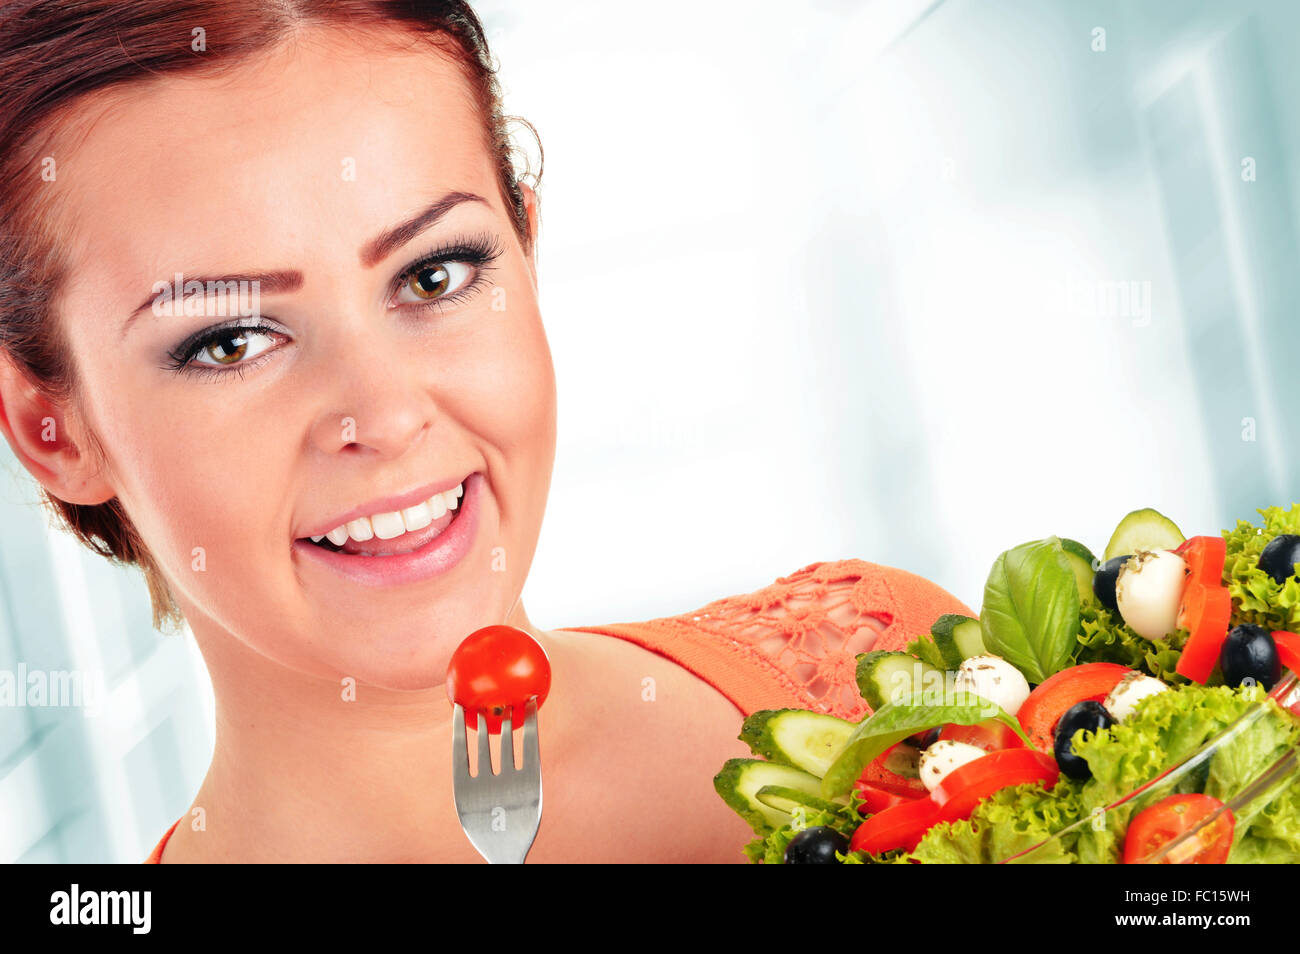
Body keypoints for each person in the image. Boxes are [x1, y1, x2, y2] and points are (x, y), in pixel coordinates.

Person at [0, 0, 973, 863]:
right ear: (52, 430)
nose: (383, 416)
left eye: (434, 276)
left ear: (526, 248)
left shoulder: (905, 685)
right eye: (230, 341)